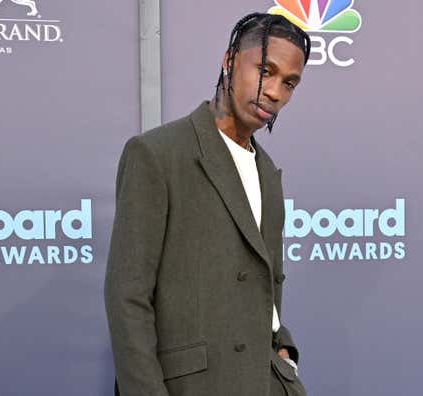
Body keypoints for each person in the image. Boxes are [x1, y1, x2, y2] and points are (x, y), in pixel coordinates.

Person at [104, 12, 311, 396]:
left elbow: (264, 285)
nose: (275, 92)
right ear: (230, 60)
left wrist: (282, 349)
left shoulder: (268, 172)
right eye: (265, 70)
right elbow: (127, 298)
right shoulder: (157, 154)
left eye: (289, 83)